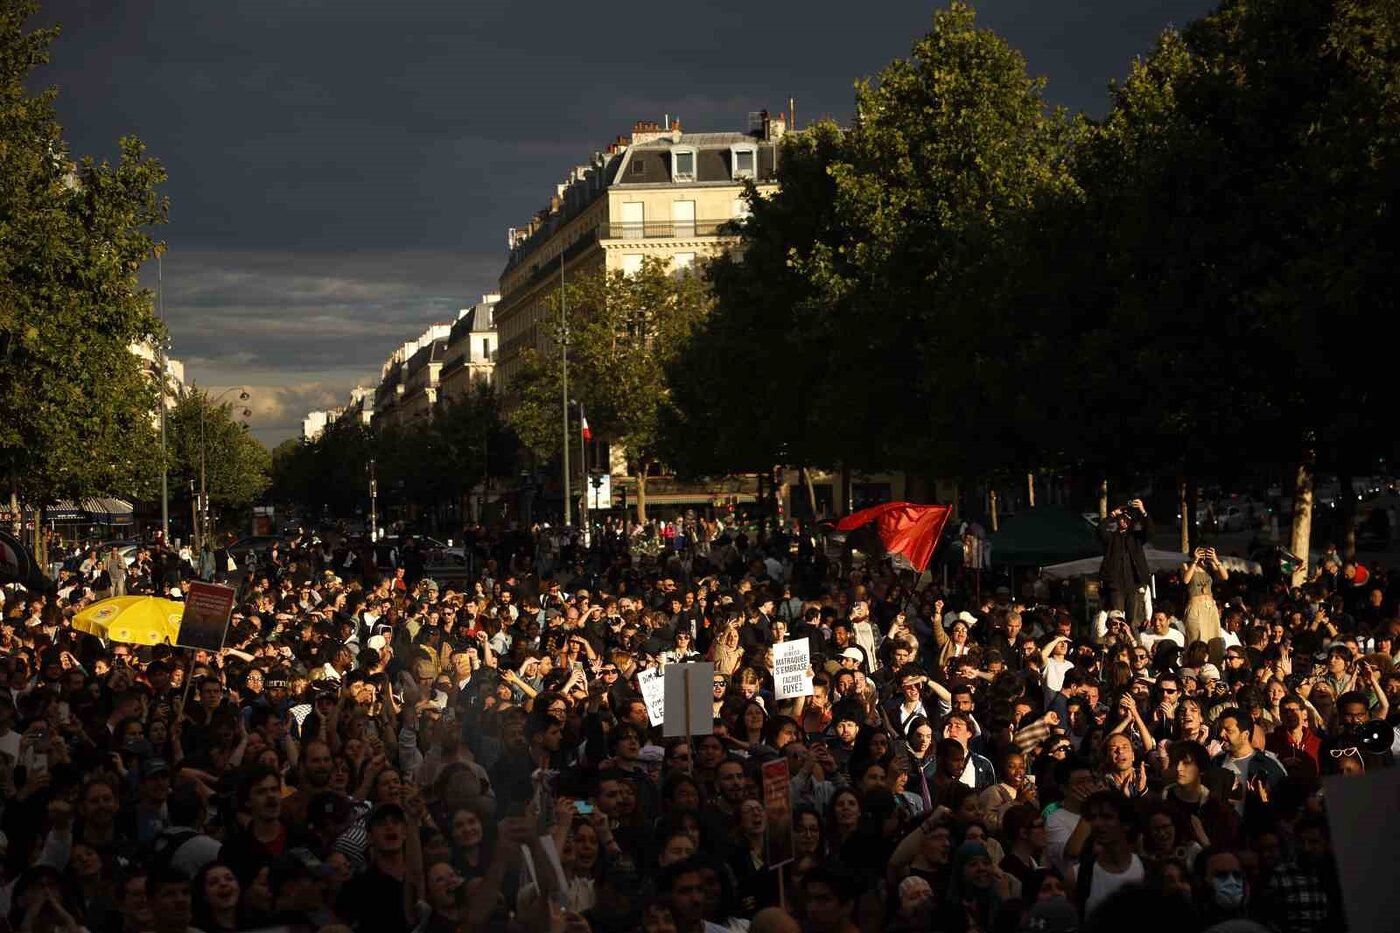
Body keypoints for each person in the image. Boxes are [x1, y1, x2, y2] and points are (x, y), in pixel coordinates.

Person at [1099, 499, 1153, 624]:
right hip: (1116, 585)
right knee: (1117, 618)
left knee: (1133, 620)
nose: (1124, 521)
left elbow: (1150, 531)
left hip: (1133, 584)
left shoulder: (1135, 537)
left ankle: (1131, 641)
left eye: (1127, 519)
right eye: (1121, 518)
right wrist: (1112, 515)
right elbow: (1100, 531)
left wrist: (1142, 510)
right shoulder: (1112, 537)